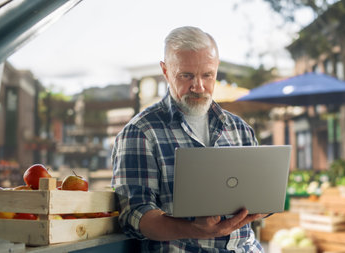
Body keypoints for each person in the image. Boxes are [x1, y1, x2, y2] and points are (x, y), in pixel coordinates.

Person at [111, 26, 267, 252]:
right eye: (186, 75)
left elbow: (262, 195)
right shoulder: (140, 132)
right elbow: (135, 215)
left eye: (207, 75)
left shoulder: (239, 129)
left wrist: (264, 204)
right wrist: (194, 229)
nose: (199, 86)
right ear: (165, 71)